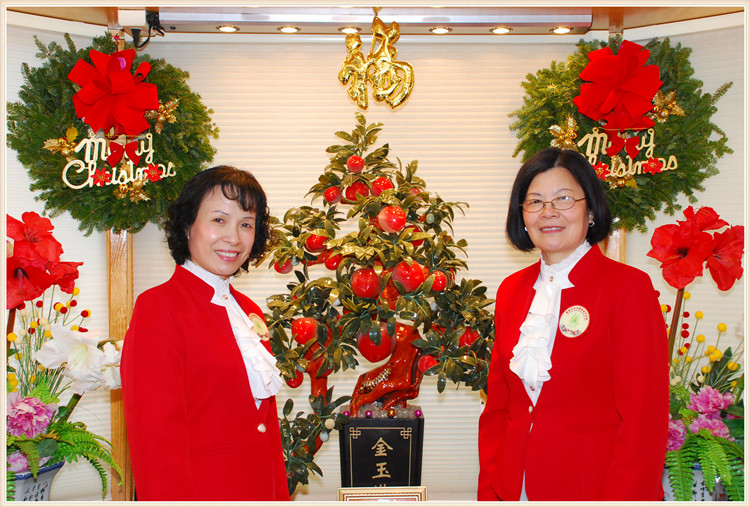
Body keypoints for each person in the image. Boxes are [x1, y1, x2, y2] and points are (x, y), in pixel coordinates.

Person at [477, 148, 669, 501]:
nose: (548, 212)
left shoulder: (628, 288)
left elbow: (644, 419)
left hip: (593, 489)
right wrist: (490, 492)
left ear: (590, 211)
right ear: (522, 215)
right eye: (535, 201)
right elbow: (499, 408)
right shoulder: (511, 290)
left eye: (563, 198)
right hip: (513, 487)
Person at [121, 166, 289, 501]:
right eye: (219, 220)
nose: (234, 237)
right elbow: (155, 440)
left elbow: (266, 429)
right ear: (187, 226)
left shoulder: (248, 310)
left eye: (246, 224)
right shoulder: (158, 307)